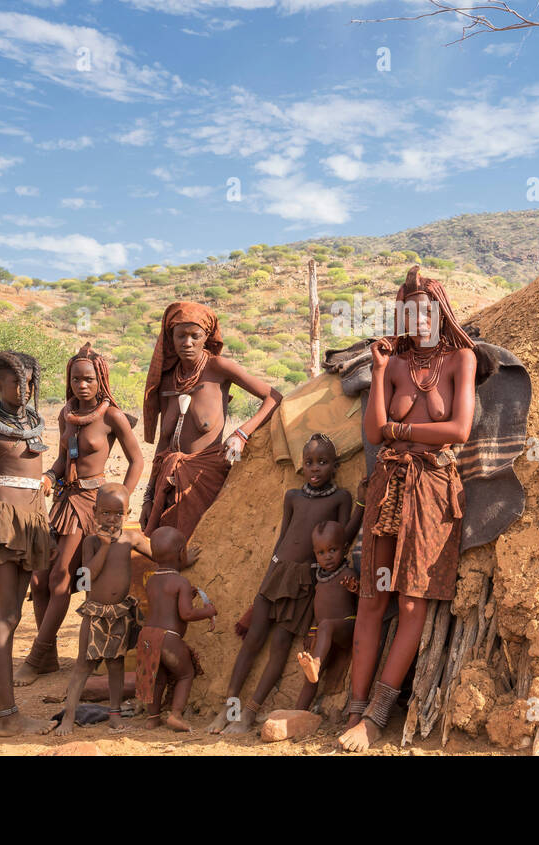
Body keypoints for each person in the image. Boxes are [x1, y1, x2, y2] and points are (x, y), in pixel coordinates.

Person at [339, 266, 477, 752]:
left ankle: (376, 717)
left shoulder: (462, 359)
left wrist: (402, 432)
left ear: (441, 312)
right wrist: (377, 372)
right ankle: (354, 708)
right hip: (387, 486)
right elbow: (374, 432)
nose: (418, 318)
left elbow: (458, 431)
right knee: (373, 598)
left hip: (434, 488)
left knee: (412, 600)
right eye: (409, 310)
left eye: (426, 309)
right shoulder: (392, 366)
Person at [16, 343, 143, 685]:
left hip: (90, 505)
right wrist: (49, 476)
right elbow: (62, 458)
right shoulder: (66, 414)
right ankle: (50, 657)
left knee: (60, 579)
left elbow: (137, 460)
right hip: (62, 500)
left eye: (88, 379)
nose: (81, 385)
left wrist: (120, 502)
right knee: (40, 580)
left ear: (100, 379)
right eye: (76, 379)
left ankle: (37, 654)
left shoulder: (111, 416)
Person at [208, 434, 351, 734]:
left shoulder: (341, 499)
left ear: (334, 466)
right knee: (252, 641)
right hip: (277, 574)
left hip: (304, 580)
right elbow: (282, 539)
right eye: (309, 462)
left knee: (280, 646)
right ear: (301, 466)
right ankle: (229, 709)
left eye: (323, 462)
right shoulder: (293, 497)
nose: (315, 468)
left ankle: (249, 714)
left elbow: (344, 537)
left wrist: (361, 503)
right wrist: (267, 579)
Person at [139, 302, 281, 546]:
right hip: (168, 484)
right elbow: (163, 444)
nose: (187, 342)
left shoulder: (218, 368)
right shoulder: (167, 381)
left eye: (195, 336)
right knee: (166, 554)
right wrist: (149, 497)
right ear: (170, 338)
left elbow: (274, 397)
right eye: (180, 335)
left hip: (206, 482)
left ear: (206, 338)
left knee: (201, 551)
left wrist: (242, 433)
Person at [0, 350, 56, 736]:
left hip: (33, 525)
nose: (24, 389)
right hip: (3, 526)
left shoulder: (34, 425)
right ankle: (8, 717)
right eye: (15, 382)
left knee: (13, 617)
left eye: (30, 382)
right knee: (3, 619)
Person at [56, 484, 150, 736]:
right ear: (95, 512)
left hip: (119, 613)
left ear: (127, 513)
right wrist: (106, 546)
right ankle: (69, 717)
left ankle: (115, 716)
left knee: (116, 664)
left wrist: (184, 559)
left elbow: (159, 553)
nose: (111, 519)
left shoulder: (131, 539)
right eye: (105, 513)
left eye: (118, 514)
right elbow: (87, 576)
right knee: (83, 665)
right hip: (95, 613)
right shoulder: (91, 543)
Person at [136, 527, 217, 731]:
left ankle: (152, 718)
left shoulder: (152, 581)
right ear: (182, 553)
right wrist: (208, 611)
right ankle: (176, 715)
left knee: (158, 678)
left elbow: (165, 604)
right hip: (169, 638)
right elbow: (186, 614)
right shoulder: (181, 582)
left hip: (147, 636)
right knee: (185, 674)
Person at [294, 519, 359, 710]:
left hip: (347, 626)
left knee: (326, 626)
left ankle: (315, 663)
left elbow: (364, 598)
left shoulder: (347, 573)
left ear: (345, 549)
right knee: (311, 677)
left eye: (333, 550)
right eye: (321, 552)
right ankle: (298, 712)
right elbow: (318, 609)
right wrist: (312, 631)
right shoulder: (321, 578)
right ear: (315, 554)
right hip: (325, 632)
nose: (327, 557)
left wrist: (355, 588)